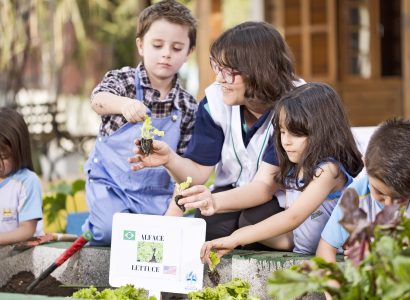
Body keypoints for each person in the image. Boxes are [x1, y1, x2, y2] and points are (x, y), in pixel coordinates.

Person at [129, 21, 301, 244]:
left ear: (258, 70)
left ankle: (292, 241)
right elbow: (199, 172)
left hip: (282, 197)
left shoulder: (296, 106)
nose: (219, 78)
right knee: (208, 225)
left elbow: (264, 188)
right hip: (234, 188)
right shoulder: (214, 103)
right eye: (217, 67)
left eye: (228, 71)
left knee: (253, 221)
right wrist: (169, 159)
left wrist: (214, 201)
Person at [191, 82, 364, 261]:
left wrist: (236, 239)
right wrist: (237, 236)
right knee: (241, 226)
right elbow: (295, 235)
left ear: (323, 131)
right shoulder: (293, 169)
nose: (286, 141)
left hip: (334, 255)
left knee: (243, 232)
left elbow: (293, 217)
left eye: (296, 134)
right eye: (282, 131)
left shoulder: (328, 171)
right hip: (300, 249)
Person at [83, 0, 198, 245]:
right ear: (141, 46)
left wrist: (172, 214)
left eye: (177, 48)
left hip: (155, 194)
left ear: (189, 52)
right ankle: (96, 224)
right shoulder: (122, 80)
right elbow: (98, 100)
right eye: (157, 45)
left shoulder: (187, 106)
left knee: (151, 238)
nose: (166, 53)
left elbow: (184, 167)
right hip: (110, 184)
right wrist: (123, 105)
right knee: (109, 231)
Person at [317, 118, 410, 262]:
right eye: (379, 192)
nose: (388, 204)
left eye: (400, 198)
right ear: (365, 163)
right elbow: (326, 248)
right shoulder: (355, 197)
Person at [0, 107, 43, 245]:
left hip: (23, 260)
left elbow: (27, 230)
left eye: (3, 156)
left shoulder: (27, 182)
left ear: (19, 151)